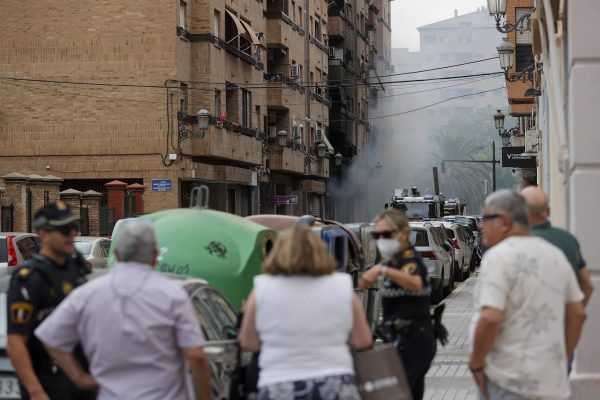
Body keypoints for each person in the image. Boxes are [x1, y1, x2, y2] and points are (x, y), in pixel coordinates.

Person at [35, 220, 211, 400]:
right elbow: (195, 355)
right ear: (154, 256)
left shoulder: (87, 293)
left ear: (117, 254)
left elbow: (50, 337)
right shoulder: (173, 294)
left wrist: (79, 378)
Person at [469, 190, 586, 400]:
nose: (481, 225)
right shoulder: (555, 255)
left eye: (486, 218)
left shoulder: (498, 257)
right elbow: (577, 313)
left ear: (504, 222)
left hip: (509, 382)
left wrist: (476, 363)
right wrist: (563, 358)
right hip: (552, 385)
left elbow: (490, 317)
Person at [238, 225, 372, 400]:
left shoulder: (262, 288)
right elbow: (363, 340)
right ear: (320, 252)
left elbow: (248, 343)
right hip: (334, 382)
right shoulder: (341, 285)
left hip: (280, 384)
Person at [6, 202, 95, 400]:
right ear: (43, 234)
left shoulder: (75, 270)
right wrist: (36, 392)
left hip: (79, 384)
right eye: (64, 230)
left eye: (74, 228)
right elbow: (16, 343)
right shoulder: (30, 278)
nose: (72, 234)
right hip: (48, 385)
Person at [359, 209, 436, 400]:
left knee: (395, 394)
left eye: (386, 234)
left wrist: (382, 270)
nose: (381, 240)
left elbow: (415, 283)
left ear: (404, 233)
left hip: (414, 340)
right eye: (377, 235)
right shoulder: (395, 261)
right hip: (402, 340)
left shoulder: (409, 260)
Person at [521, 186, 594, 307]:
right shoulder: (569, 239)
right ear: (548, 212)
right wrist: (574, 312)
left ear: (520, 213)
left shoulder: (515, 243)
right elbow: (588, 286)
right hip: (564, 315)